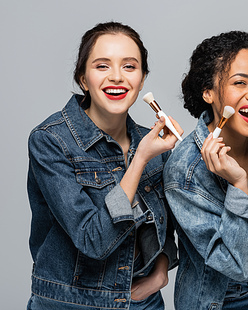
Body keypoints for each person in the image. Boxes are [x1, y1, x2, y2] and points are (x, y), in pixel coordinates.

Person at [27, 22, 183, 309]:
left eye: (129, 67)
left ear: (142, 78)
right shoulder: (50, 141)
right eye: (102, 66)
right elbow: (92, 240)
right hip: (71, 303)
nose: (116, 77)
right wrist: (140, 161)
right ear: (83, 79)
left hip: (143, 301)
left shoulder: (152, 144)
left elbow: (168, 227)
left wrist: (160, 275)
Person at [164, 31, 248, 309]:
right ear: (208, 92)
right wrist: (238, 183)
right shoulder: (186, 170)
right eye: (240, 83)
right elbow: (237, 265)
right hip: (226, 299)